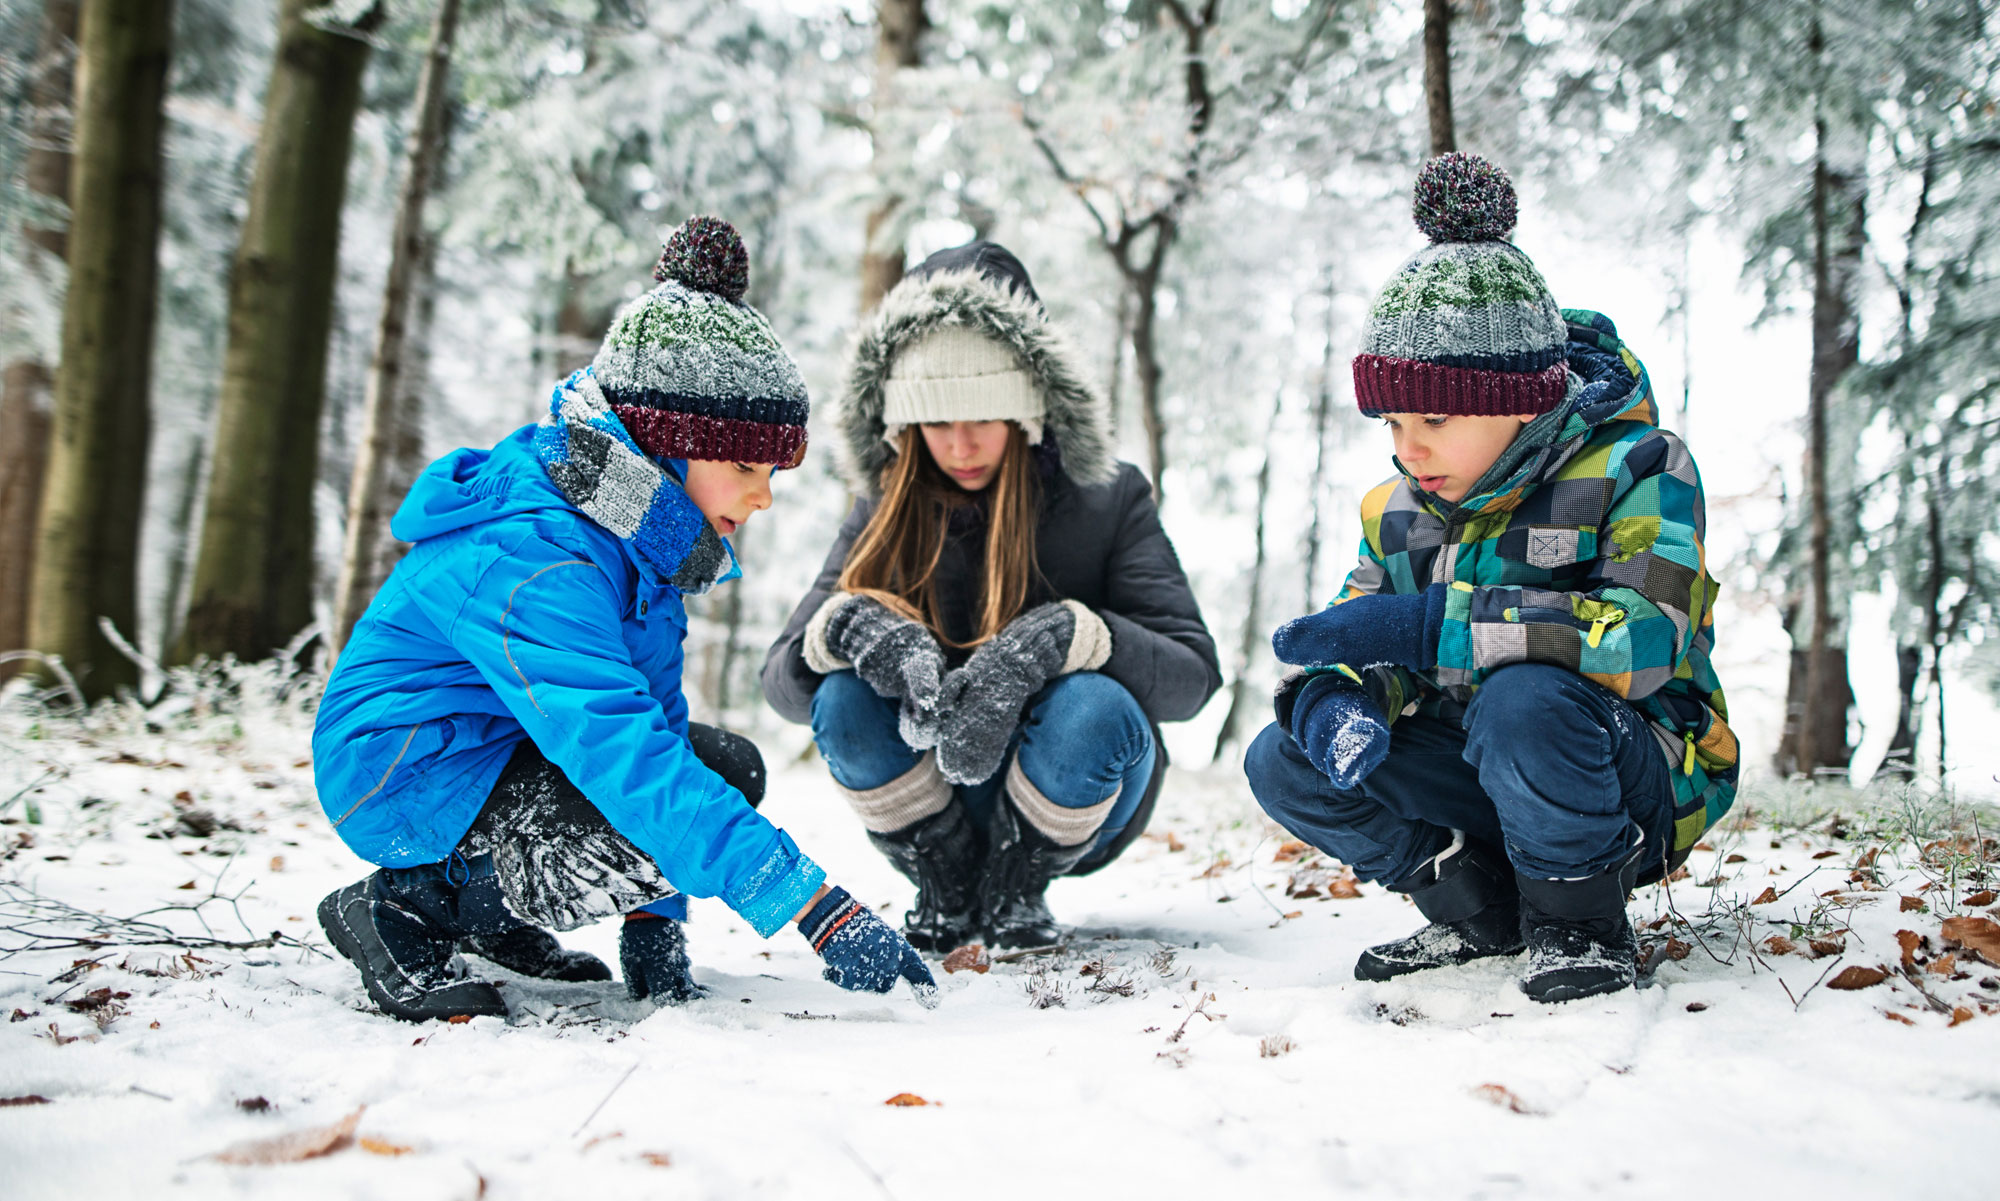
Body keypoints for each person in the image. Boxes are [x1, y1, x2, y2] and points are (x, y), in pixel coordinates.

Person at [312, 217, 935, 1021]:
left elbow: (659, 733)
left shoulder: (641, 541)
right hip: (403, 769)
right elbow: (621, 754)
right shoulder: (541, 555)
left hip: (497, 751)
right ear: (665, 445)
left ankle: (483, 909)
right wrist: (817, 910)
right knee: (649, 787)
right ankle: (402, 904)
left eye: (772, 471)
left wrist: (656, 924)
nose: (762, 495)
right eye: (745, 466)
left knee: (724, 765)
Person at [1244, 155, 1738, 1003]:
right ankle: (1477, 902)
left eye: (1434, 417)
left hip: (1630, 772)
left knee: (1525, 702)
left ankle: (1577, 917)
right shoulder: (1397, 508)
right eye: (1394, 419)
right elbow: (1364, 628)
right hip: (1482, 764)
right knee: (1284, 759)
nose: (1409, 446)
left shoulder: (1639, 466)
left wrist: (1433, 625)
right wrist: (1337, 696)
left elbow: (1645, 636)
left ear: (1522, 399)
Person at [762, 242, 1220, 951]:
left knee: (1094, 707)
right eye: (937, 420)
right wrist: (845, 631)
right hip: (929, 792)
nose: (962, 443)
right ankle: (943, 880)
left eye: (984, 415)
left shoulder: (1108, 496)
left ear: (1028, 407)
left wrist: (1073, 636)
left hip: (1068, 785)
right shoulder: (884, 505)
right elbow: (784, 687)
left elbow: (1192, 680)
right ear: (905, 423)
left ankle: (1018, 882)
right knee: (841, 697)